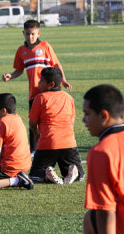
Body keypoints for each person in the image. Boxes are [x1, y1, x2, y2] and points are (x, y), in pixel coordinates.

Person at [2, 20, 71, 153]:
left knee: (50, 120)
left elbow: (57, 65)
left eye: (33, 34)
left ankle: (55, 146)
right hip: (33, 93)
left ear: (38, 33)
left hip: (49, 92)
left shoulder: (45, 46)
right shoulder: (21, 51)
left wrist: (64, 81)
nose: (30, 37)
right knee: (33, 123)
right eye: (27, 34)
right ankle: (34, 151)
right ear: (23, 33)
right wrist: (11, 76)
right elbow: (19, 70)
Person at [28, 67, 84, 184]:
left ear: (51, 84)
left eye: (42, 80)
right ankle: (74, 171)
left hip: (48, 142)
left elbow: (32, 123)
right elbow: (71, 122)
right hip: (69, 143)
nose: (39, 83)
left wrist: (36, 134)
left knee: (35, 176)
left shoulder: (40, 98)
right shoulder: (69, 98)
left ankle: (47, 175)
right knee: (80, 176)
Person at [82, 84, 124, 234]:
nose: (83, 119)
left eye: (87, 114)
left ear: (104, 116)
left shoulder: (102, 151)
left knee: (91, 217)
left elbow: (105, 210)